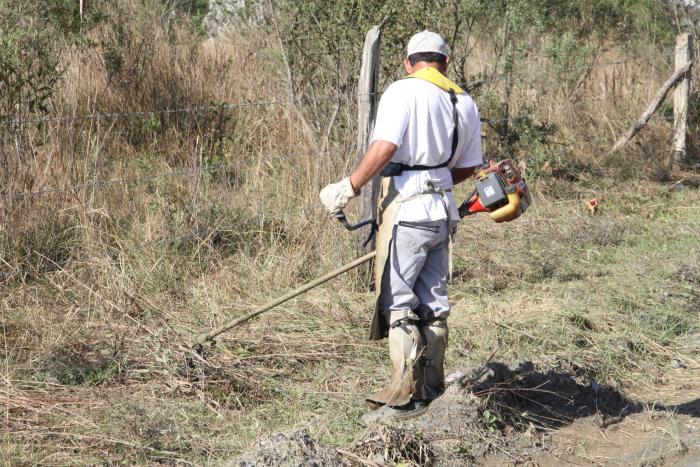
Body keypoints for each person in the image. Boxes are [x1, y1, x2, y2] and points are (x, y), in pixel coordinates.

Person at [319, 30, 483, 421]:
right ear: (445, 62)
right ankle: (432, 387)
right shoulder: (463, 100)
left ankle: (402, 392)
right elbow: (469, 166)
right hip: (443, 212)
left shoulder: (402, 91)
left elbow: (385, 146)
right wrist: (436, 181)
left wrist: (350, 186)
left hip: (408, 212)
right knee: (435, 305)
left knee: (399, 304)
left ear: (409, 62)